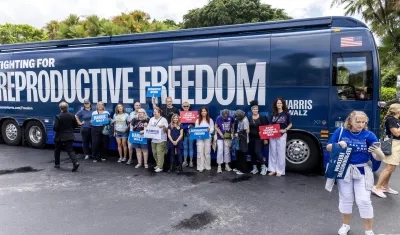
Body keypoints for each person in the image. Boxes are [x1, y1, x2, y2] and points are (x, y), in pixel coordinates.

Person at [326, 111, 385, 235]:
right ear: (350, 121)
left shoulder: (369, 135)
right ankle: (345, 225)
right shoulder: (341, 132)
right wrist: (337, 145)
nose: (361, 124)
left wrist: (379, 154)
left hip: (362, 170)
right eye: (358, 122)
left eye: (363, 122)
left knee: (364, 201)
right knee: (345, 199)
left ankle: (369, 230)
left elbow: (377, 156)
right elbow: (328, 147)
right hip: (344, 169)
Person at [372, 103, 400, 198]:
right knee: (389, 168)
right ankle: (377, 187)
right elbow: (396, 133)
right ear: (397, 110)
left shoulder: (396, 120)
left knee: (392, 168)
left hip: (396, 145)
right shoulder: (391, 119)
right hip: (393, 145)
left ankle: (385, 186)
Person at [268, 98, 292, 176]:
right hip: (273, 135)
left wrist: (285, 130)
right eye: (277, 103)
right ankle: (272, 170)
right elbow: (270, 125)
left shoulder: (286, 114)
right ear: (276, 105)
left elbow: (290, 124)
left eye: (280, 103)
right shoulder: (273, 114)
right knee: (272, 152)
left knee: (281, 153)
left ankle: (280, 171)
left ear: (283, 104)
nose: (279, 104)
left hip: (282, 135)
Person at [53, 101, 80, 172]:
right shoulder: (72, 115)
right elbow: (76, 125)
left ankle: (57, 164)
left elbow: (55, 127)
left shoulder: (58, 117)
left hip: (60, 136)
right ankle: (75, 162)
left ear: (60, 108)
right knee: (70, 150)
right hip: (69, 135)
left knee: (57, 150)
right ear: (67, 107)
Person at [248, 100, 269, 175]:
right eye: (254, 109)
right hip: (251, 138)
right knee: (252, 153)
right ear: (251, 110)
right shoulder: (249, 118)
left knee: (257, 151)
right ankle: (255, 168)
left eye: (256, 109)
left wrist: (265, 139)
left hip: (259, 138)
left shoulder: (262, 118)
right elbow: (248, 128)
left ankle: (264, 167)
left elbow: (266, 128)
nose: (255, 110)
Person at [148, 107, 168, 172]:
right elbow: (149, 128)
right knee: (154, 153)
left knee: (160, 153)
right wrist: (146, 126)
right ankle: (158, 164)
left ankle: (160, 167)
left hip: (161, 139)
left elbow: (167, 130)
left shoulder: (163, 119)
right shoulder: (151, 119)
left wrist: (164, 126)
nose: (154, 113)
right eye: (153, 112)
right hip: (153, 139)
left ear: (159, 112)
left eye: (155, 112)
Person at [195, 106, 214, 172]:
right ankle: (200, 167)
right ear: (200, 112)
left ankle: (207, 166)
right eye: (202, 111)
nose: (203, 112)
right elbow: (196, 129)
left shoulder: (210, 120)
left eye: (205, 111)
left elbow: (212, 129)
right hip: (199, 138)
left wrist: (209, 130)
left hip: (207, 138)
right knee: (200, 152)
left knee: (207, 152)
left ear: (207, 112)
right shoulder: (197, 120)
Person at [215, 109, 234, 173]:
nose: (226, 116)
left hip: (227, 137)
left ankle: (226, 165)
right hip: (220, 137)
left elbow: (233, 125)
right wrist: (220, 133)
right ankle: (219, 166)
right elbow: (216, 126)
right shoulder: (219, 117)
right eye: (224, 115)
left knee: (227, 151)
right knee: (220, 150)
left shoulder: (231, 117)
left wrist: (232, 133)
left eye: (227, 115)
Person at [233, 109, 250, 175]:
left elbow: (247, 131)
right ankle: (239, 167)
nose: (236, 118)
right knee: (239, 154)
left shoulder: (245, 120)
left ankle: (244, 170)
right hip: (239, 139)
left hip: (244, 140)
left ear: (240, 116)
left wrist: (239, 134)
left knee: (242, 155)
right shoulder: (240, 120)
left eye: (237, 117)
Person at [181, 101, 195, 168]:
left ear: (189, 107)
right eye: (184, 106)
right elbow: (181, 126)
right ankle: (185, 161)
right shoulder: (181, 115)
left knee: (191, 147)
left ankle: (191, 162)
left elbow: (195, 125)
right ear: (182, 107)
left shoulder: (192, 114)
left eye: (187, 106)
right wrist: (188, 126)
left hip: (191, 133)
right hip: (184, 134)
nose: (186, 107)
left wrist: (192, 126)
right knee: (185, 148)